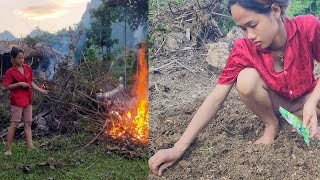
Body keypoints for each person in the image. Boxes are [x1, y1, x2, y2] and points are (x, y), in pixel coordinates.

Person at [149, 0, 320, 176]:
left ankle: (302, 115)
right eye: (243, 29)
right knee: (246, 79)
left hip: (307, 97)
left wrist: (311, 101)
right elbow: (216, 97)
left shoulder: (307, 26)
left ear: (275, 11)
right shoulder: (243, 48)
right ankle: (272, 124)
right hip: (277, 103)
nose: (250, 36)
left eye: (252, 25)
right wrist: (178, 147)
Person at [2, 47, 48, 156]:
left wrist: (41, 90)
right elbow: (5, 87)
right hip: (17, 100)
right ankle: (8, 149)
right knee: (15, 124)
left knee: (28, 123)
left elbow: (30, 82)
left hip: (28, 99)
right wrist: (19, 84)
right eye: (19, 58)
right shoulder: (10, 72)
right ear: (12, 59)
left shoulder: (27, 68)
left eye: (22, 58)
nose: (21, 60)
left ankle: (30, 147)